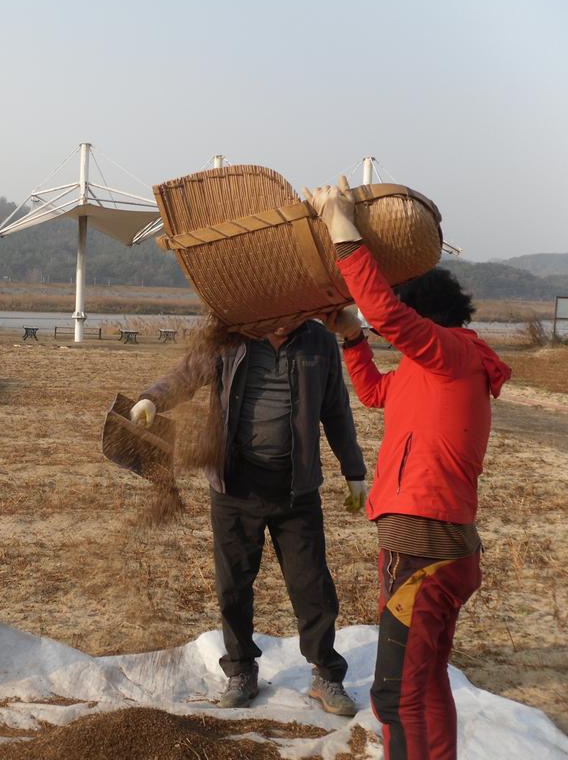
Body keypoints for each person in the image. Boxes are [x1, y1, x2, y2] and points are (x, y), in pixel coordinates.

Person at [305, 178, 511, 760]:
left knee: (395, 695)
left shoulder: (450, 353)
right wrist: (350, 338)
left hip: (423, 546)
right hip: (434, 543)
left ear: (428, 318)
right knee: (426, 682)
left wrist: (341, 225)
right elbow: (373, 392)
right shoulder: (437, 371)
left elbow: (385, 312)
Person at [129, 316, 367, 715]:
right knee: (233, 587)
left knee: (313, 587)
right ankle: (241, 671)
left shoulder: (317, 342)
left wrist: (354, 471)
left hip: (297, 488)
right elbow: (187, 375)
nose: (283, 320)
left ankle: (326, 674)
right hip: (234, 485)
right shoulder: (231, 336)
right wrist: (152, 398)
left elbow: (336, 411)